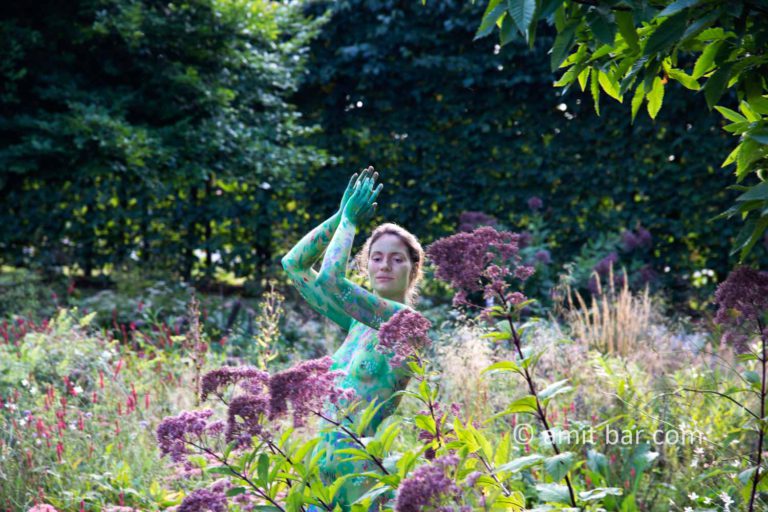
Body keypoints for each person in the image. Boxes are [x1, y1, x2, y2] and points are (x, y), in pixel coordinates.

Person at [281, 167, 424, 510]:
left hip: (362, 480)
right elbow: (294, 265)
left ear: (413, 269)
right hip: (321, 476)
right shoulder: (357, 322)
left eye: (396, 259)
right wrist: (339, 214)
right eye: (376, 257)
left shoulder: (406, 323)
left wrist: (351, 223)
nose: (384, 266)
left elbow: (331, 279)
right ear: (366, 264)